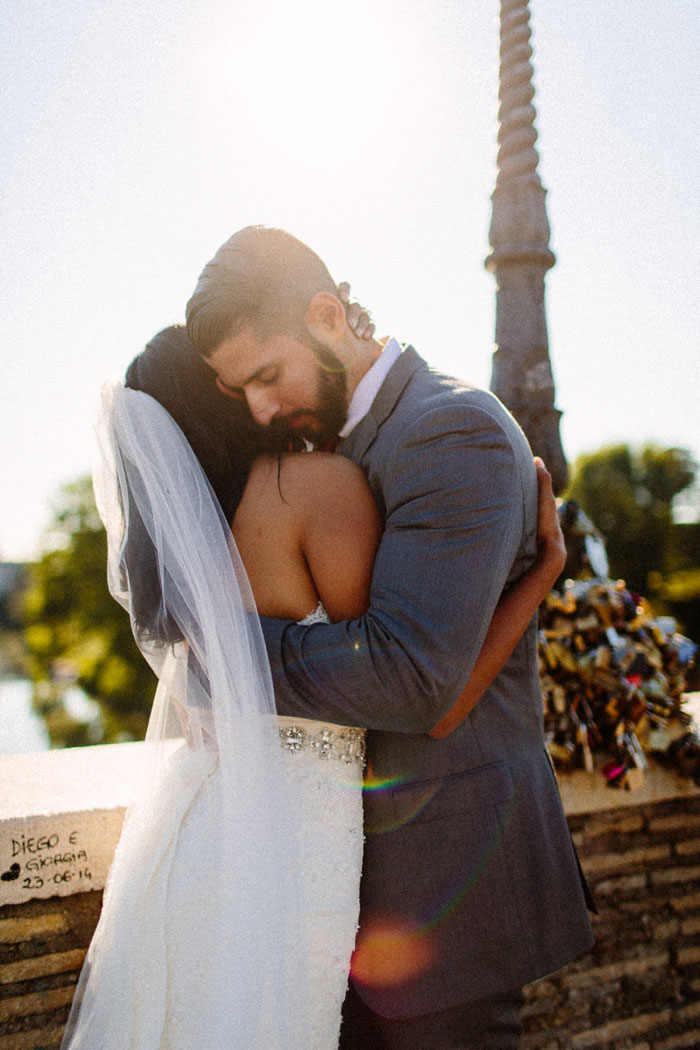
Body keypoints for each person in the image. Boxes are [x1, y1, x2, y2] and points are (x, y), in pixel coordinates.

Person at [61, 318, 568, 1050]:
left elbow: (208, 696)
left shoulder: (192, 554)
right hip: (299, 848)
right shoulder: (311, 490)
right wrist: (540, 578)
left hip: (197, 837)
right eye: (242, 386)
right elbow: (424, 692)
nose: (261, 401)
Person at [184, 225, 596, 1050]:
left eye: (268, 375)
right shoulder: (336, 443)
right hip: (360, 892)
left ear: (328, 316)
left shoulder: (453, 431)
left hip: (455, 887)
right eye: (242, 393)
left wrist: (222, 661)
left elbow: (412, 677)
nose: (262, 409)